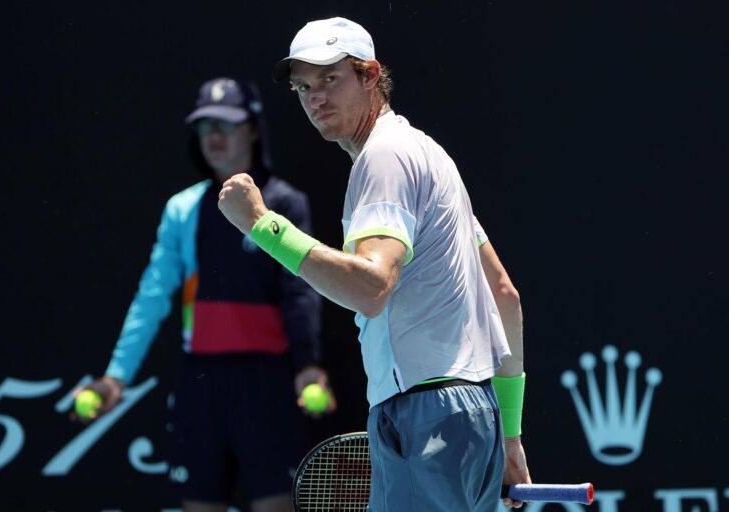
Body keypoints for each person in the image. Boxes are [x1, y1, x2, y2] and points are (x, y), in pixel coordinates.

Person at [217, 17, 530, 512]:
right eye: (303, 87)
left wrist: (262, 225)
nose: (316, 98)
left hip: (425, 415)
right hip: (473, 416)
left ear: (370, 75)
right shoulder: (429, 156)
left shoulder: (384, 158)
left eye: (329, 79)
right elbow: (504, 296)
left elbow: (370, 288)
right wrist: (509, 436)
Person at [78, 77, 335, 512]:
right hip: (201, 386)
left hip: (266, 383)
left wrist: (308, 365)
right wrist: (116, 377)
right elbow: (153, 295)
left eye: (227, 124)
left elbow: (300, 292)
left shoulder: (286, 203)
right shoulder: (182, 209)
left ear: (252, 129)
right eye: (205, 125)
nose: (214, 136)